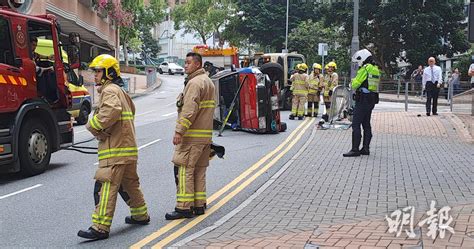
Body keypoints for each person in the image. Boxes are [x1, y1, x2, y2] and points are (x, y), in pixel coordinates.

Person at [78, 54, 150, 240]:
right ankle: (140, 215)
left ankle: (100, 228)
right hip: (127, 149)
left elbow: (112, 111)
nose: (95, 75)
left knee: (105, 187)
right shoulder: (121, 92)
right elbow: (129, 112)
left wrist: (92, 126)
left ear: (109, 73)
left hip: (115, 150)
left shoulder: (109, 91)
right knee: (130, 184)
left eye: (98, 71)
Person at [165, 52, 216, 220]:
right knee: (199, 171)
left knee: (185, 170)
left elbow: (189, 110)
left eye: (188, 63)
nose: (185, 65)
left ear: (198, 64)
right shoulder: (208, 82)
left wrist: (179, 131)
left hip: (192, 137)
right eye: (185, 63)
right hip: (205, 137)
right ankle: (199, 204)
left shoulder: (194, 83)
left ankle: (184, 208)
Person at [343, 49, 380, 157]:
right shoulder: (375, 69)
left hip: (363, 99)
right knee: (366, 125)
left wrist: (352, 82)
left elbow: (355, 84)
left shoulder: (365, 69)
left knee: (356, 124)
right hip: (371, 99)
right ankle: (365, 148)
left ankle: (355, 149)